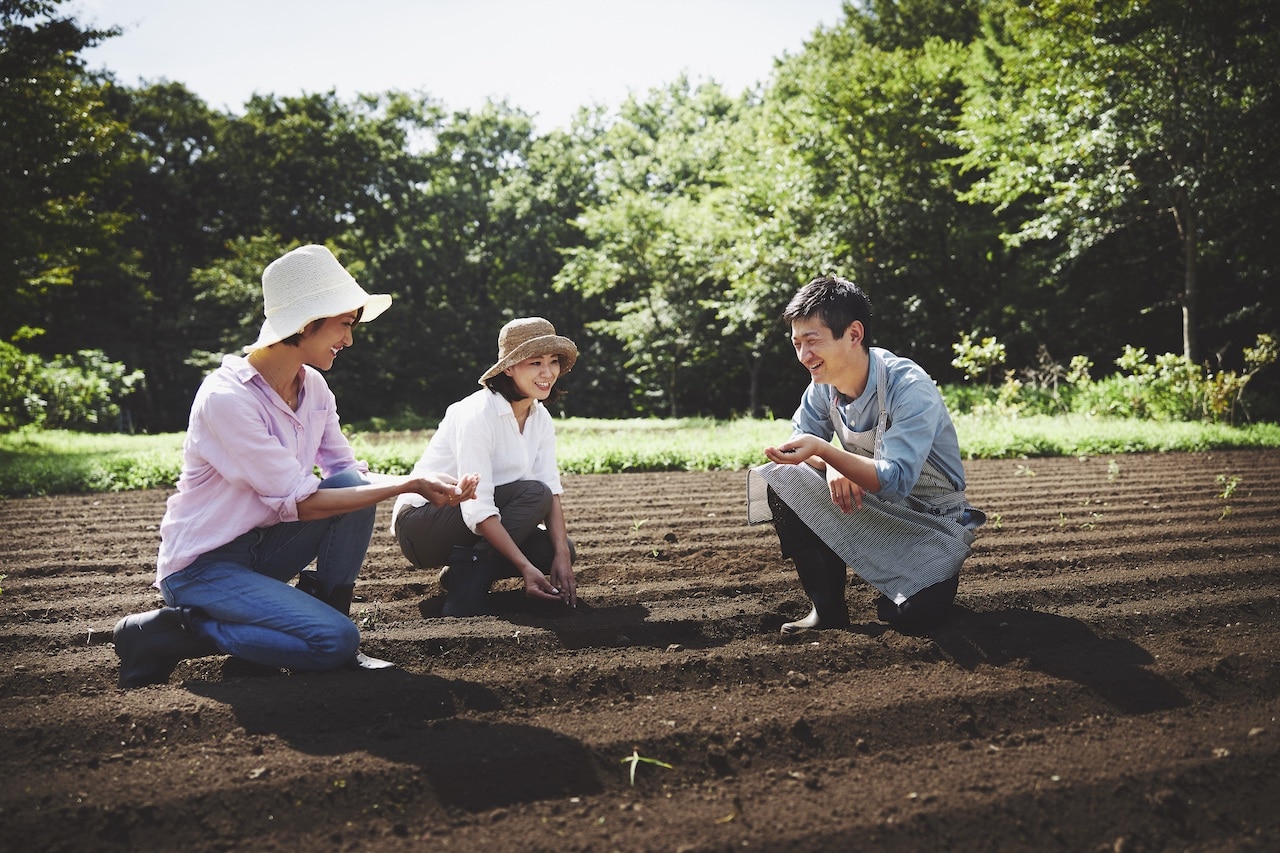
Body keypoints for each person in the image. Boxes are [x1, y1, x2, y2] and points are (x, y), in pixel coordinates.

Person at [112, 244, 479, 689]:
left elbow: (348, 475)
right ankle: (174, 630)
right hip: (203, 568)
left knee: (351, 490)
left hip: (263, 549)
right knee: (333, 643)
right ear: (307, 325)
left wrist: (417, 484)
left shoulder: (314, 387)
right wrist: (406, 483)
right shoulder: (226, 398)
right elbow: (300, 502)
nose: (349, 340)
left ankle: (321, 613)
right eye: (344, 325)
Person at [747, 275, 985, 634]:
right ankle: (826, 609)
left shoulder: (909, 386)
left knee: (914, 618)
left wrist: (827, 452)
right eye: (797, 344)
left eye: (812, 341)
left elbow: (895, 481)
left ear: (854, 334)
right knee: (782, 479)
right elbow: (800, 443)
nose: (803, 355)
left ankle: (913, 581)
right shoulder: (821, 388)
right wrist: (828, 463)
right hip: (871, 505)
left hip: (930, 521)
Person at [392, 317, 579, 617]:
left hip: (470, 522)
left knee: (561, 549)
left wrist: (561, 559)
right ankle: (464, 596)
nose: (548, 373)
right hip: (423, 525)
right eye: (535, 363)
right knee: (535, 493)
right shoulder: (476, 414)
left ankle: (460, 575)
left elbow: (552, 490)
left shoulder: (540, 418)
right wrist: (524, 568)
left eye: (553, 361)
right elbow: (477, 508)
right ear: (509, 367)